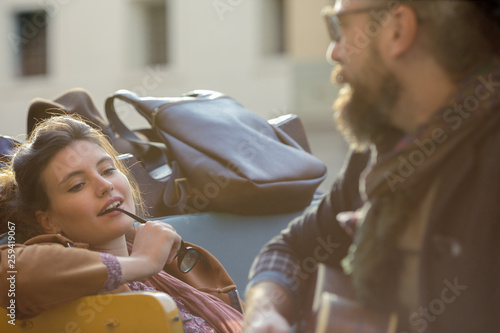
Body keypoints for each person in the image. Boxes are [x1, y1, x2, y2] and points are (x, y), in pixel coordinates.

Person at [243, 0, 500, 332]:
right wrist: (265, 313)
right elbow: (290, 251)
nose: (333, 52)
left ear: (397, 30)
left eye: (340, 27)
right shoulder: (382, 155)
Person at [0, 116, 243, 333]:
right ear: (48, 221)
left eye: (107, 170)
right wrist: (141, 263)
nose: (105, 185)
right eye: (77, 185)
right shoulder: (69, 281)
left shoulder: (170, 262)